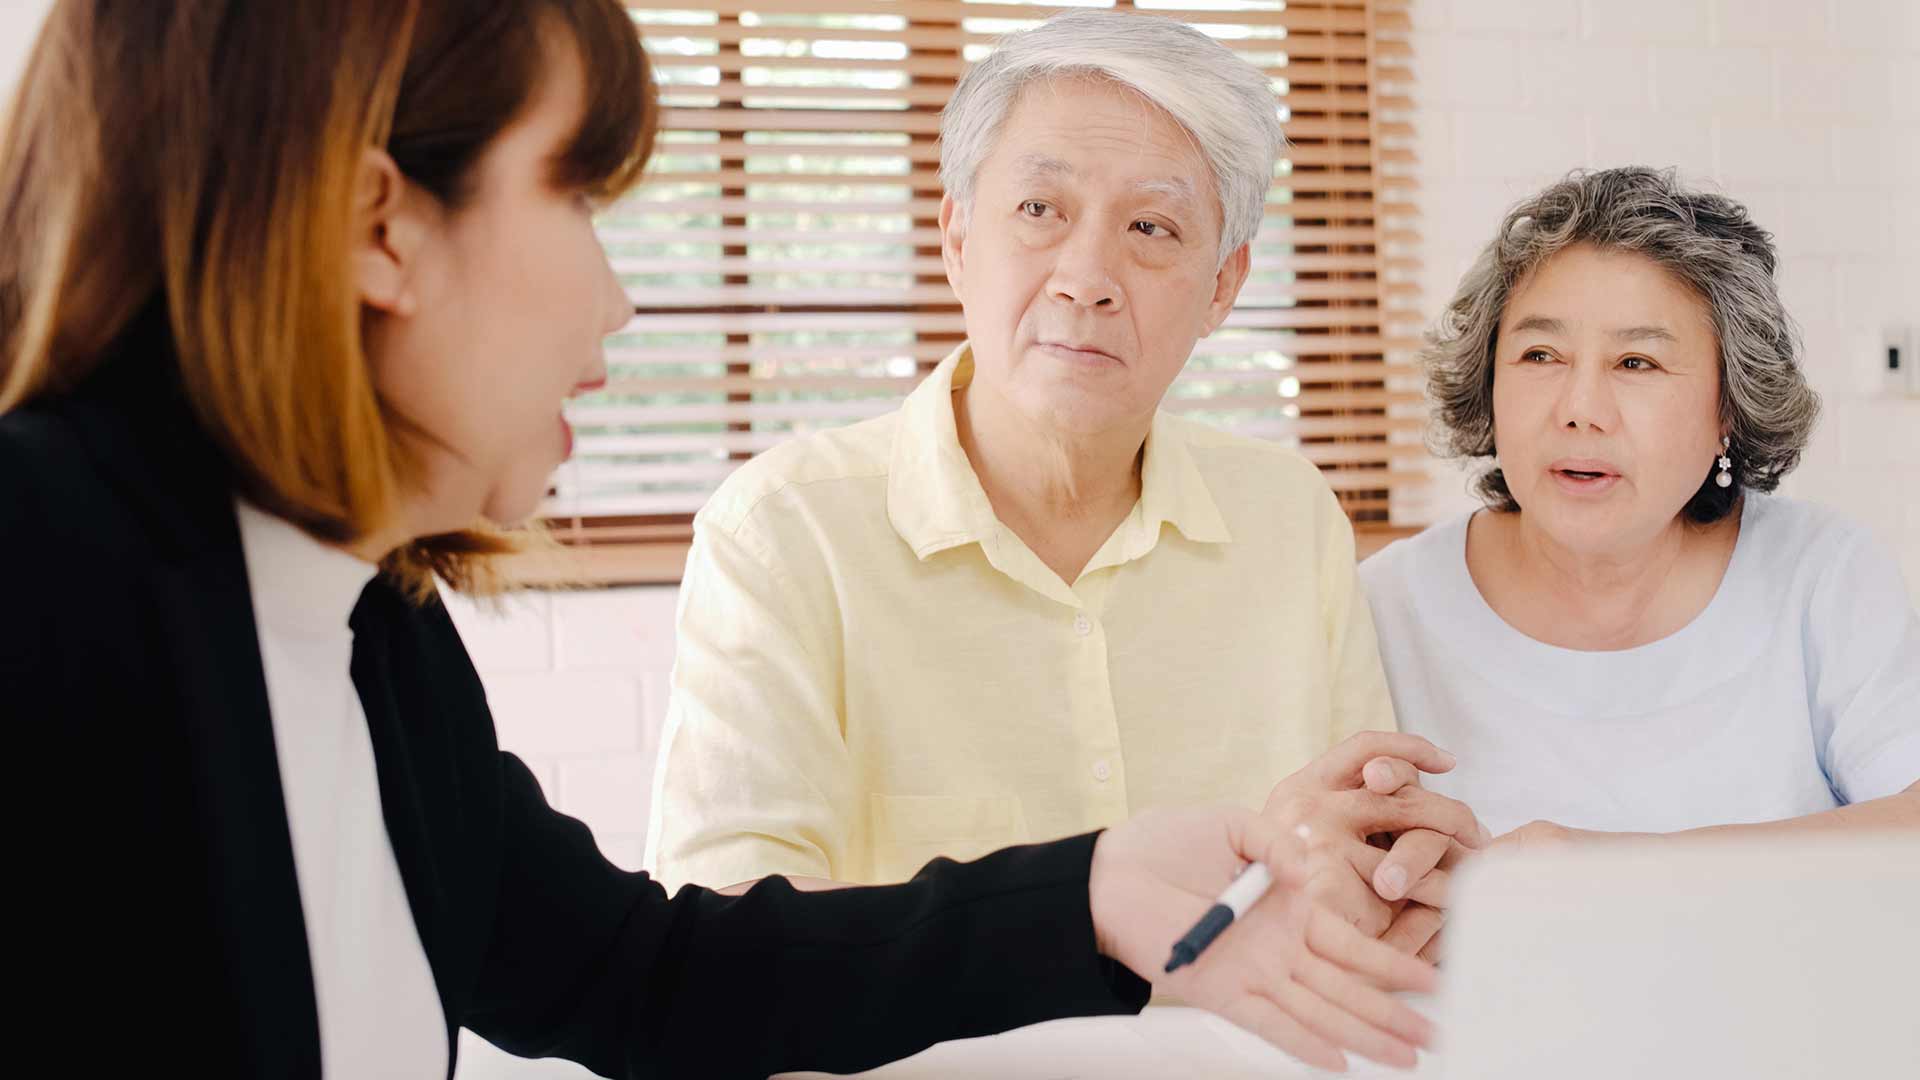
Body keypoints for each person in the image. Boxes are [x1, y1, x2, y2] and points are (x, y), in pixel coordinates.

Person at [0, 1, 1440, 1076]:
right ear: (383, 227)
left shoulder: (370, 628)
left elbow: (642, 974)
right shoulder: (43, 575)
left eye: (1153, 233)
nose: (621, 304)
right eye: (576, 195)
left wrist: (1092, 892)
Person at [645, 8, 1481, 946]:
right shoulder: (784, 531)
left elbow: (1359, 858)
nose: (1087, 276)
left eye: (1153, 226)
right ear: (958, 239)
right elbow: (724, 935)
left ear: (1222, 287)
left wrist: (1396, 877)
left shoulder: (1288, 515)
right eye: (1040, 211)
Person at [1357, 169, 1918, 954]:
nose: (1580, 407)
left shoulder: (1818, 572)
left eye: (1636, 364)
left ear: (1729, 406)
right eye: (1541, 354)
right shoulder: (1384, 603)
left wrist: (1607, 873)